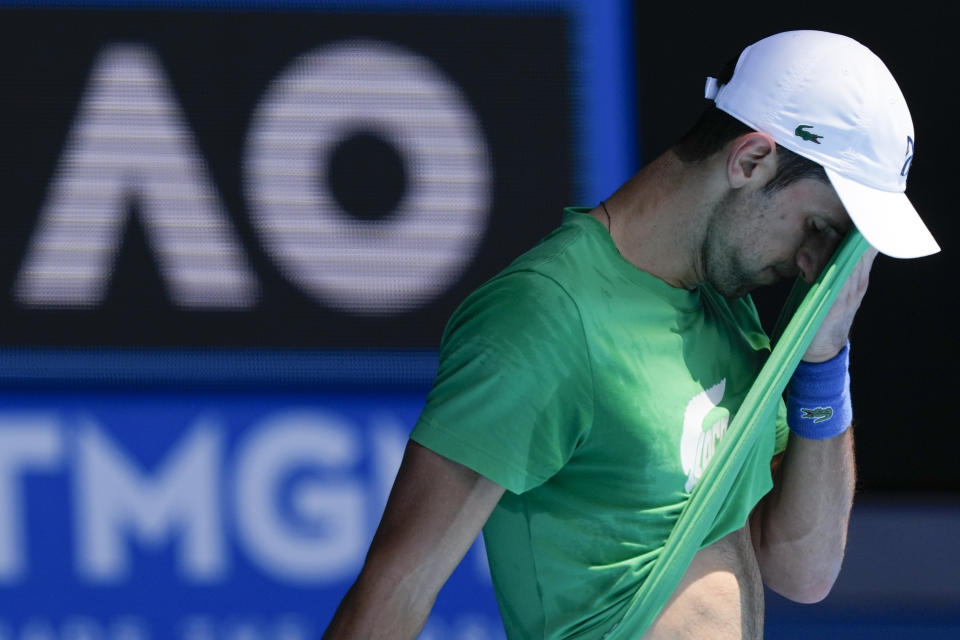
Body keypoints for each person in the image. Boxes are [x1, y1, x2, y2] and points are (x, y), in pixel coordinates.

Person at [322, 30, 940, 640]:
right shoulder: (546, 315)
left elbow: (803, 569)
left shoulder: (727, 306)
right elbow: (397, 588)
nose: (813, 264)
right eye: (816, 227)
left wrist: (823, 360)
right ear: (752, 160)